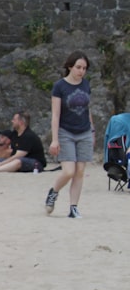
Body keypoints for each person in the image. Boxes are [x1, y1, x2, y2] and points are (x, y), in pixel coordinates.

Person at [45, 51, 94, 218]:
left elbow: (88, 110)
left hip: (85, 132)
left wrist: (92, 131)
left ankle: (73, 207)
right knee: (68, 172)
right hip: (66, 132)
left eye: (84, 68)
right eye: (78, 67)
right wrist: (55, 140)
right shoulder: (60, 86)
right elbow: (56, 114)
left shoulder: (86, 84)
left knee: (80, 171)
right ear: (70, 66)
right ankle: (54, 191)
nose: (81, 71)